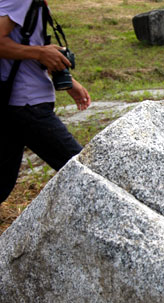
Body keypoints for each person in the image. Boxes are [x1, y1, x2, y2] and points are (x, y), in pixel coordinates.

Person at [0, 0, 91, 204]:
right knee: (83, 168)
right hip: (26, 105)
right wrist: (40, 52)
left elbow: (25, 45)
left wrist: (68, 81)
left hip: (15, 103)